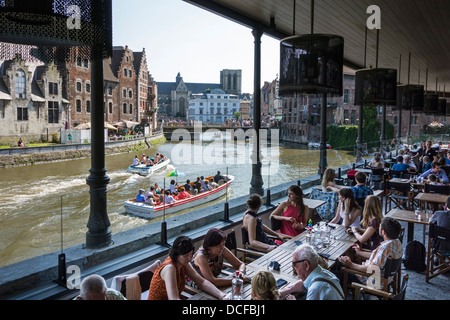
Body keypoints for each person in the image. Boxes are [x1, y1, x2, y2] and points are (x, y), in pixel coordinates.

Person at [148, 236, 227, 300]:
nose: (189, 258)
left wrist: (221, 295)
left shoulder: (184, 263)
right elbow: (174, 298)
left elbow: (202, 282)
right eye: (185, 256)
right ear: (176, 254)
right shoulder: (170, 268)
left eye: (190, 254)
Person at [335, 217, 403, 289]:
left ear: (383, 232)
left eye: (380, 226)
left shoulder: (385, 247)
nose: (378, 227)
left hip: (372, 281)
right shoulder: (396, 242)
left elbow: (372, 270)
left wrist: (350, 264)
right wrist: (359, 252)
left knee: (336, 273)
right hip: (383, 279)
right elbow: (379, 257)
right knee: (339, 263)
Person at [279, 244, 345, 300]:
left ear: (306, 265)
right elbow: (305, 283)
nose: (292, 266)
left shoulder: (315, 289)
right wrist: (286, 291)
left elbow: (312, 286)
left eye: (294, 263)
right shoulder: (323, 273)